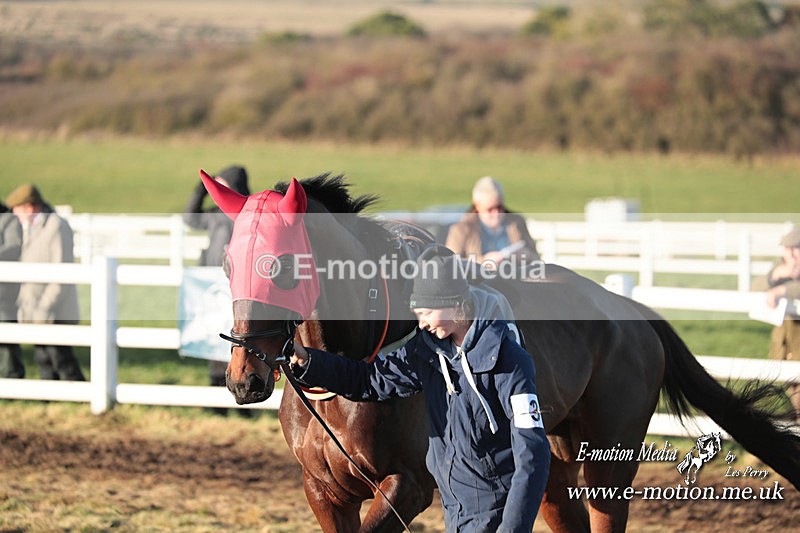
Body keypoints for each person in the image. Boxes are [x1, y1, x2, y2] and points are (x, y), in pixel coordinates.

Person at [289, 245, 550, 532]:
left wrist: (513, 528)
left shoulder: (509, 361)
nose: (421, 323)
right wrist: (310, 362)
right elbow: (369, 380)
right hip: (455, 509)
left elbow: (533, 451)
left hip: (496, 509)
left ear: (454, 304)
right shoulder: (426, 352)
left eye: (426, 312)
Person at [184, 165, 251, 414]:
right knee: (213, 338)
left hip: (234, 287)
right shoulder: (214, 213)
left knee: (238, 339)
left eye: (222, 184)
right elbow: (190, 218)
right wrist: (200, 189)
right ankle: (215, 398)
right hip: (211, 287)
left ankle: (242, 401)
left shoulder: (245, 213)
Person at [6, 184, 84, 381]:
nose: (14, 213)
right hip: (36, 307)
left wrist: (45, 306)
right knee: (43, 359)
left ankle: (77, 398)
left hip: (55, 308)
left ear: (30, 207)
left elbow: (62, 273)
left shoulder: (56, 226)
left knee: (60, 358)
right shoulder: (31, 229)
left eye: (18, 208)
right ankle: (51, 402)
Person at [445, 176, 540, 267]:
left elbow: (537, 259)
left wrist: (527, 256)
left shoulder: (516, 223)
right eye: (490, 209)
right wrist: (483, 262)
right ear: (477, 206)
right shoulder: (461, 229)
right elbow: (450, 265)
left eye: (499, 207)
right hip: (478, 282)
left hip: (514, 279)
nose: (496, 213)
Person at [764, 225, 800, 420]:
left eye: (796, 249)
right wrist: (775, 276)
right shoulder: (780, 268)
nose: (792, 255)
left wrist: (783, 291)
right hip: (785, 350)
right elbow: (756, 286)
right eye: (787, 250)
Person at [0, 201, 24, 378]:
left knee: (6, 335)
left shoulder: (9, 220)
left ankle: (11, 376)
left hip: (4, 291)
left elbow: (14, 247)